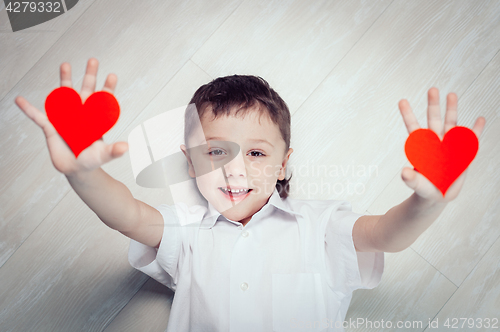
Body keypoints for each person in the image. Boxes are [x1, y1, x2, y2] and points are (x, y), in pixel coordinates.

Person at [15, 58, 486, 332]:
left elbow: (385, 233)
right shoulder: (188, 232)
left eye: (257, 153)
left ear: (283, 163)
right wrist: (82, 174)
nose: (235, 169)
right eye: (215, 151)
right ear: (191, 160)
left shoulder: (318, 226)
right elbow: (127, 214)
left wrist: (429, 201)